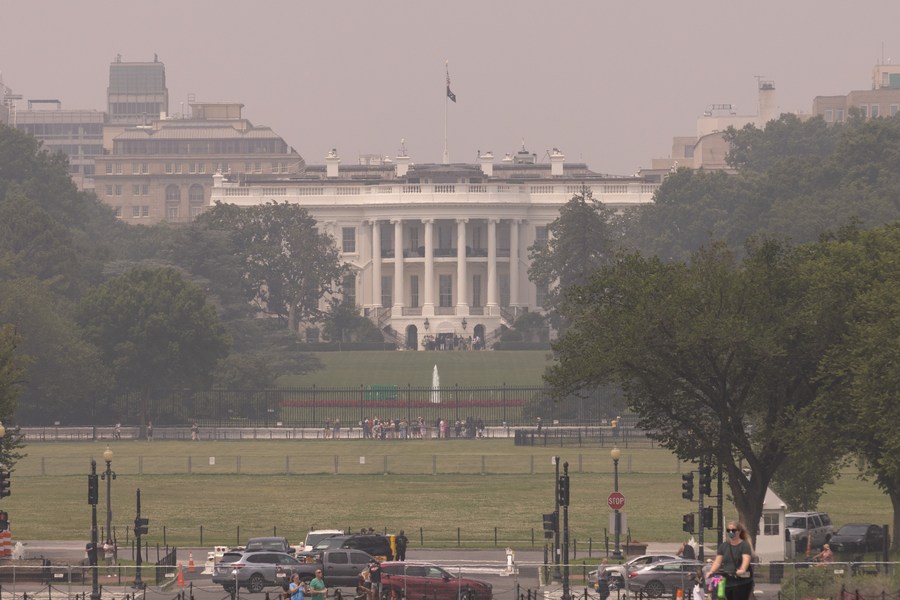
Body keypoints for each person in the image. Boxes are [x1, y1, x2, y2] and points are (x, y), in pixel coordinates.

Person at [706, 520, 754, 600]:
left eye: (733, 530)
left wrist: (742, 569)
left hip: (742, 582)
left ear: (738, 531)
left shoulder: (744, 545)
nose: (731, 532)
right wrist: (711, 571)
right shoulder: (724, 546)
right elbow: (717, 562)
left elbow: (746, 559)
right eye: (729, 530)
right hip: (728, 582)